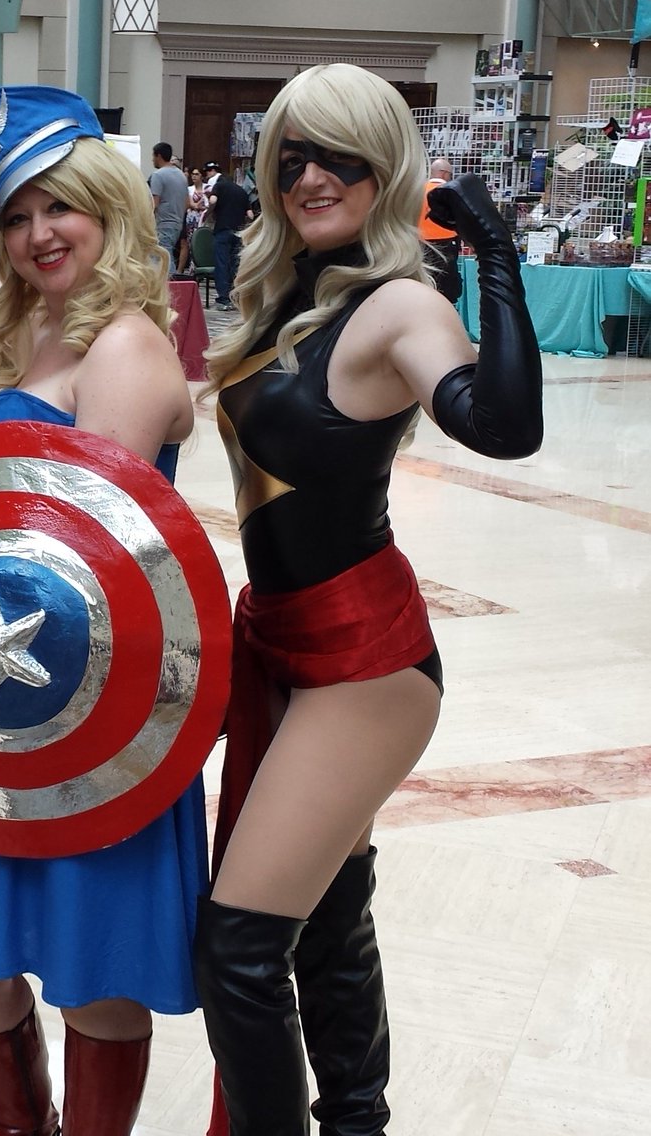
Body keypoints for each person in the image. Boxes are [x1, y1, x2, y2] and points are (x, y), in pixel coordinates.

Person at [194, 63, 542, 1135]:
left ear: (386, 167)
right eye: (291, 156)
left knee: (239, 948)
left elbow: (504, 425)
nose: (311, 177)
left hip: (362, 660)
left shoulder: (399, 304)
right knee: (328, 919)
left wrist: (496, 256)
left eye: (339, 155)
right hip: (288, 645)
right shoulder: (292, 297)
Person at [0, 85, 205, 1136]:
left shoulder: (123, 346)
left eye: (58, 207)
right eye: (16, 216)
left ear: (109, 202)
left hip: (84, 716)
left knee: (92, 972)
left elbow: (87, 569)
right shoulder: (31, 323)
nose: (37, 236)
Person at [204, 162, 252, 311]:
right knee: (235, 266)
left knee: (221, 265)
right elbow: (250, 215)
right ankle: (234, 297)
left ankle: (223, 299)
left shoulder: (219, 186)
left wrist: (208, 213)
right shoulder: (242, 192)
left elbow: (213, 200)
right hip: (239, 232)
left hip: (223, 230)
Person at [419, 156, 462, 303]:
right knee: (447, 285)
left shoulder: (417, 191)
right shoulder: (452, 191)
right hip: (447, 242)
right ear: (444, 173)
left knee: (425, 281)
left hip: (421, 243)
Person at [150, 141, 190, 269]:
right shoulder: (181, 176)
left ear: (159, 156)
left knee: (164, 257)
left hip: (163, 221)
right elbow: (187, 203)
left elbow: (154, 203)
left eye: (153, 156)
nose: (152, 160)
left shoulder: (158, 175)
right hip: (177, 222)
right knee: (162, 255)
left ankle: (170, 280)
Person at [177, 167, 209, 274]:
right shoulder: (189, 189)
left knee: (202, 241)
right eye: (193, 174)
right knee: (190, 242)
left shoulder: (207, 187)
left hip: (203, 218)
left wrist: (199, 206)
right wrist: (196, 206)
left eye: (197, 174)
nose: (194, 176)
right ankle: (191, 267)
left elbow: (208, 203)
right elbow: (190, 203)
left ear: (202, 176)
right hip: (191, 218)